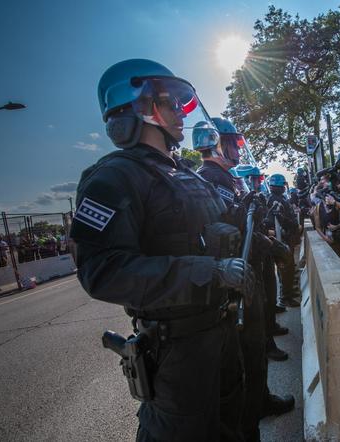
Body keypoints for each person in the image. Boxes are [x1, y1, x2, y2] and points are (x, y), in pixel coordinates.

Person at [70, 59, 254, 442]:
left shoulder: (183, 173)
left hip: (219, 330)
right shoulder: (113, 177)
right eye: (171, 104)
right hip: (176, 348)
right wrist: (205, 272)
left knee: (233, 426)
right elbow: (102, 271)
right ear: (139, 107)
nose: (180, 114)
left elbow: (208, 234)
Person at [200, 118, 294, 441]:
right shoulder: (209, 181)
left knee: (256, 352)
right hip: (234, 284)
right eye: (233, 143)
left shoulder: (227, 180)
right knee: (246, 360)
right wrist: (274, 246)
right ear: (216, 143)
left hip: (249, 276)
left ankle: (261, 399)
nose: (238, 149)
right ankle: (249, 424)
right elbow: (240, 230)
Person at [265, 174, 300, 308]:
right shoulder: (275, 201)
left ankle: (286, 296)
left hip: (285, 238)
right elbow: (277, 222)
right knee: (285, 270)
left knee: (287, 270)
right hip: (282, 239)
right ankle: (284, 298)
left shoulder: (278, 199)